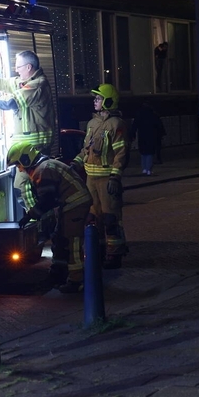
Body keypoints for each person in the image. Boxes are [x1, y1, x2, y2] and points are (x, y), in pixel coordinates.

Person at [8, 142, 92, 293]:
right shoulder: (45, 166)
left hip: (75, 204)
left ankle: (76, 281)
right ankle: (59, 274)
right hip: (69, 204)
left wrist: (30, 216)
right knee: (59, 239)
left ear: (26, 159)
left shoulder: (43, 170)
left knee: (71, 242)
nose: (19, 169)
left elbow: (47, 200)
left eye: (18, 165)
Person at [0, 50, 54, 210]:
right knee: (34, 186)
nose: (16, 70)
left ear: (29, 67)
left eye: (19, 67)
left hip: (34, 148)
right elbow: (3, 84)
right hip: (27, 148)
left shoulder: (37, 85)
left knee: (22, 185)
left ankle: (38, 217)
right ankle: (43, 217)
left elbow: (10, 103)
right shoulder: (24, 82)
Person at [72, 83, 129, 270]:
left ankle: (115, 255)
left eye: (98, 98)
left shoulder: (116, 125)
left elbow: (121, 153)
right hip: (91, 180)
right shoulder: (92, 124)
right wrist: (75, 163)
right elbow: (86, 150)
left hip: (106, 180)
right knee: (92, 218)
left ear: (108, 101)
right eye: (95, 98)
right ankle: (99, 251)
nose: (95, 101)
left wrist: (115, 177)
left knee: (110, 219)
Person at [132, 102, 164, 175]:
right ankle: (149, 169)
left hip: (142, 135)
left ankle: (144, 169)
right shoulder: (153, 115)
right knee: (150, 152)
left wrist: (132, 135)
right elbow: (159, 126)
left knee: (143, 153)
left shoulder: (139, 115)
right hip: (151, 136)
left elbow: (134, 126)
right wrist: (161, 135)